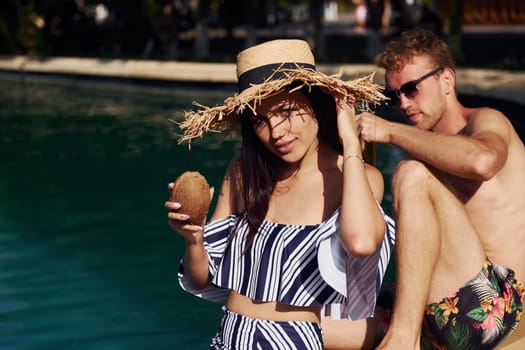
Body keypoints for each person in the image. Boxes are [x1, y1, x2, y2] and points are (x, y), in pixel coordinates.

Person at [165, 39, 395, 349]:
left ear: (317, 104)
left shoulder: (356, 178)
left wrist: (351, 144)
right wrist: (193, 237)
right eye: (261, 120)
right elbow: (199, 281)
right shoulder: (245, 173)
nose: (276, 132)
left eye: (286, 111)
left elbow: (362, 241)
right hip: (228, 339)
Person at [356, 28, 525, 349]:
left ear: (447, 80)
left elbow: (482, 162)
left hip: (501, 307)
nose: (404, 103)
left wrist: (390, 132)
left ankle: (402, 340)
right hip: (449, 306)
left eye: (412, 89)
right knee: (323, 319)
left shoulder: (485, 121)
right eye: (396, 95)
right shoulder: (428, 152)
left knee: (410, 173)